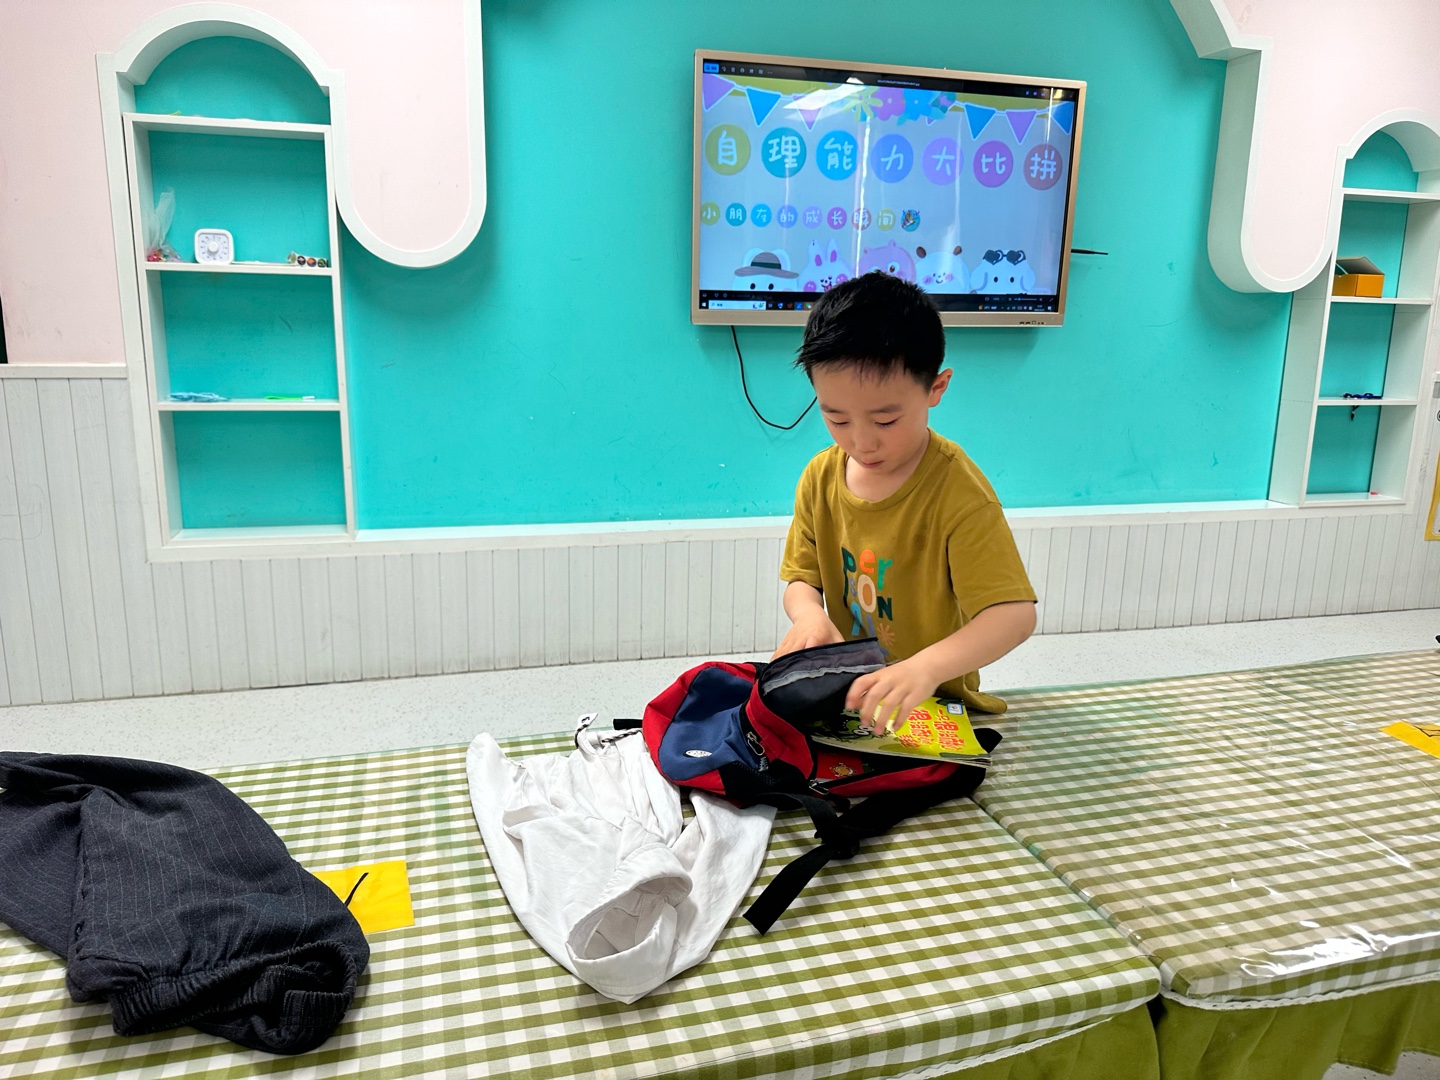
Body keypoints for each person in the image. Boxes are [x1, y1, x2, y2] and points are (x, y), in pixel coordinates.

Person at [774, 272, 1037, 732]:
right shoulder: (821, 476)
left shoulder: (957, 492)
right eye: (836, 419)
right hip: (849, 700)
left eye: (886, 420)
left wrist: (924, 668)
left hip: (934, 708)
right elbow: (801, 579)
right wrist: (810, 616)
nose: (862, 443)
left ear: (936, 387)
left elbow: (1014, 615)